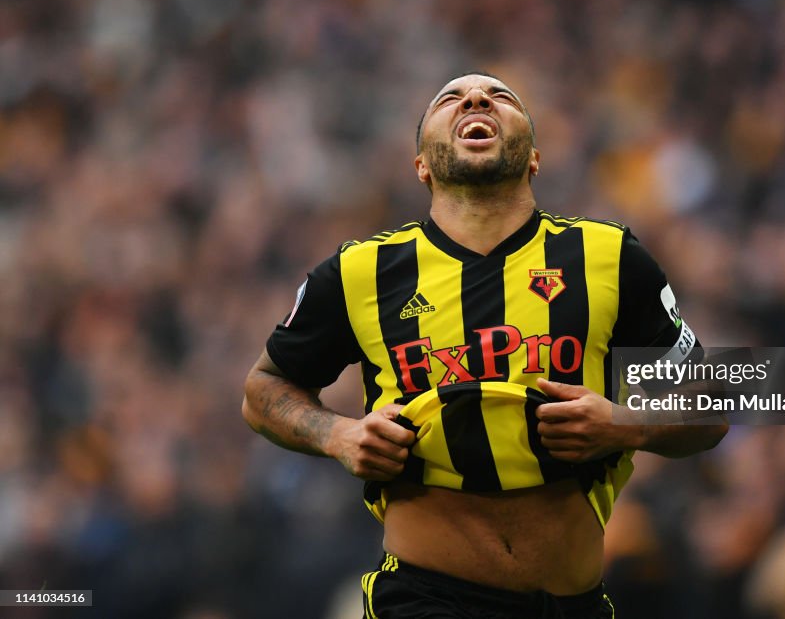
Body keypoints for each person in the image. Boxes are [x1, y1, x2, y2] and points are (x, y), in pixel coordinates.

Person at [241, 72, 729, 618]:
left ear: (535, 157)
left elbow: (717, 403)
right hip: (425, 600)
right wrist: (338, 433)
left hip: (574, 604)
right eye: (450, 99)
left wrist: (624, 422)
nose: (476, 99)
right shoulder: (362, 272)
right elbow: (263, 389)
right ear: (421, 165)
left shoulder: (609, 256)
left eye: (502, 97)